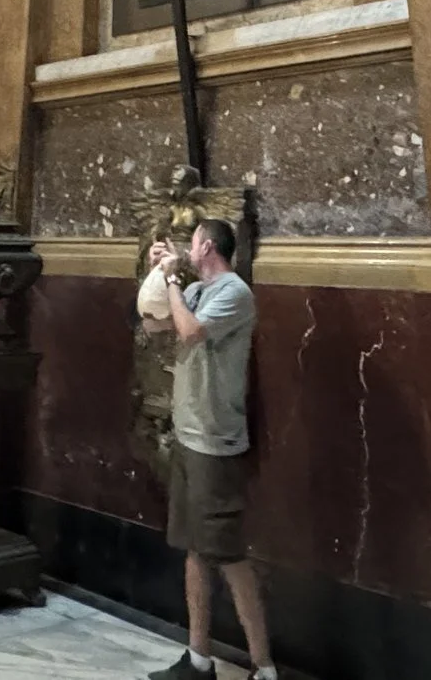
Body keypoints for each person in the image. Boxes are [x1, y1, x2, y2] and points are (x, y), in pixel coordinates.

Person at [144, 218, 277, 680]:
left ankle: (264, 667)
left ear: (206, 248)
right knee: (196, 551)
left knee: (229, 553)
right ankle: (199, 660)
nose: (187, 247)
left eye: (192, 240)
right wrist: (158, 275)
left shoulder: (234, 293)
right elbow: (154, 322)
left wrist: (175, 282)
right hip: (188, 434)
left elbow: (189, 332)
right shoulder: (197, 291)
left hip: (215, 444)